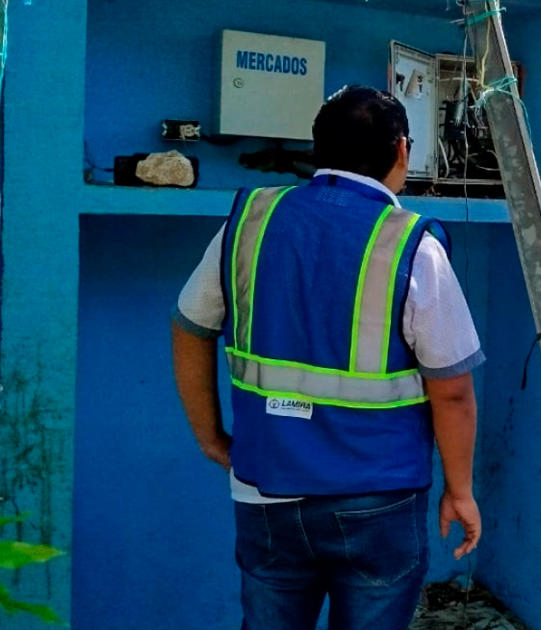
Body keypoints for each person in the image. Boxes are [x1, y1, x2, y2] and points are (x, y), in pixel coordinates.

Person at [171, 85, 484, 630]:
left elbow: (189, 326)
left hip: (265, 489)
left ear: (317, 148)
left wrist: (210, 437)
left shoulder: (250, 223)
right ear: (402, 150)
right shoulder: (412, 243)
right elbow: (452, 390)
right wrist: (460, 491)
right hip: (378, 498)